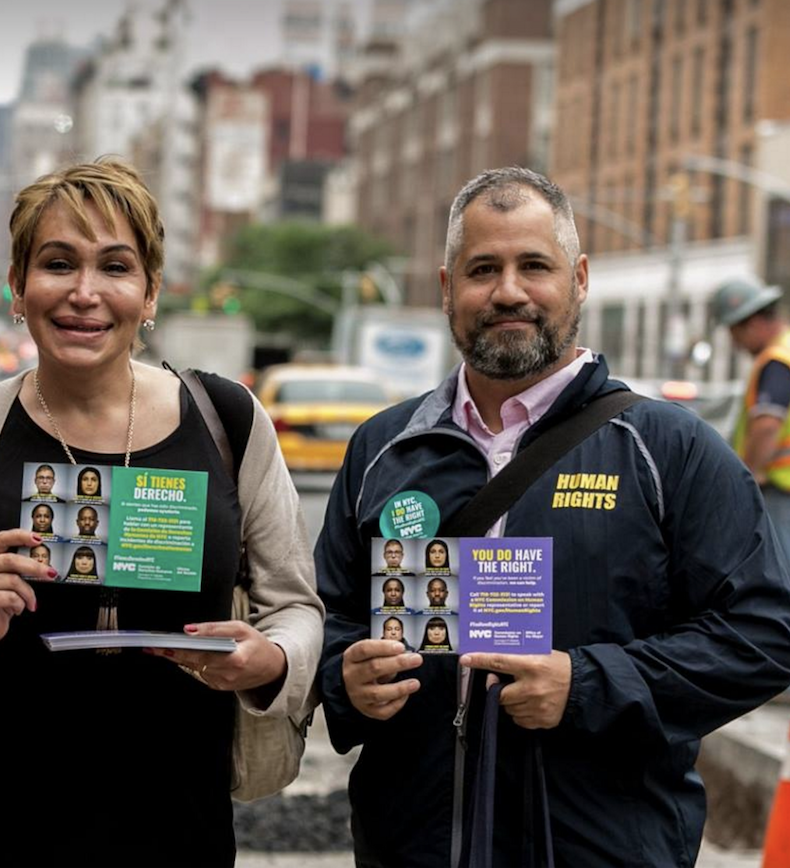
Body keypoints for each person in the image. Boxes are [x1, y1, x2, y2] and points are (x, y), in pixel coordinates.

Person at [0, 157, 323, 868]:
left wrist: (270, 660)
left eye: (115, 267)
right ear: (17, 286)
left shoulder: (229, 422)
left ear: (151, 292)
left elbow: (297, 608)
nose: (84, 293)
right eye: (57, 263)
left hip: (182, 837)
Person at [315, 166, 790, 866]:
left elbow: (765, 634)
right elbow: (326, 614)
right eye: (483, 269)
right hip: (408, 843)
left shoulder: (669, 449)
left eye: (533, 265)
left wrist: (588, 684)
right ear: (448, 289)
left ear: (580, 278)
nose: (508, 291)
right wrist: (344, 679)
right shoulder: (384, 449)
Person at [711, 276, 790, 550]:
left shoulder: (776, 360)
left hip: (781, 490)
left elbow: (767, 425)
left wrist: (749, 478)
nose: (736, 344)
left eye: (735, 333)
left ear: (753, 323)